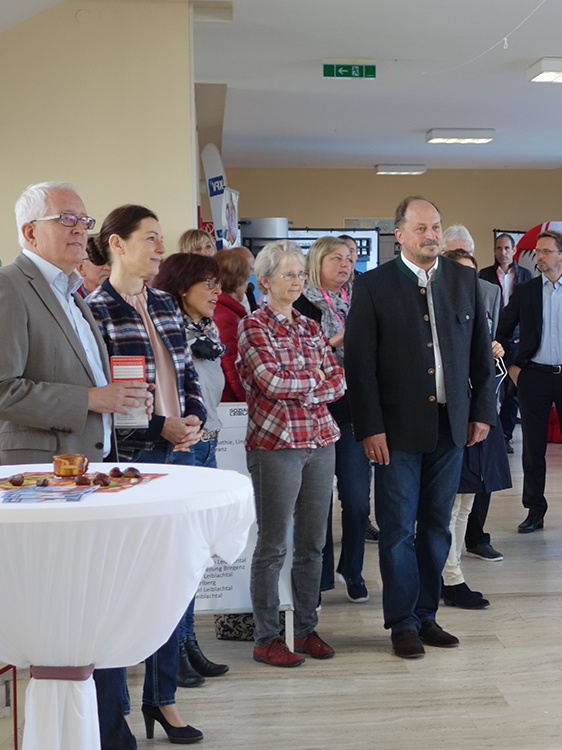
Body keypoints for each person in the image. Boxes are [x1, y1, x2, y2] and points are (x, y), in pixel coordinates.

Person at [0, 181, 150, 750]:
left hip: (85, 474)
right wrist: (91, 399)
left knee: (90, 617)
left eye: (84, 219)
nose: (81, 229)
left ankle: (104, 731)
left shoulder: (74, 293)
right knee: (64, 626)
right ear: (30, 232)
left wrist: (118, 402)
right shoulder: (5, 287)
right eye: (67, 219)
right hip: (38, 484)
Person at [345, 196, 497, 659]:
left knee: (437, 526)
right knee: (397, 530)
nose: (431, 235)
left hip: (451, 426)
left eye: (436, 227)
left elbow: (480, 353)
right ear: (400, 235)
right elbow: (359, 365)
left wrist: (482, 412)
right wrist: (370, 427)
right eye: (421, 228)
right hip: (395, 431)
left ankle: (427, 615)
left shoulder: (464, 280)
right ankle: (402, 623)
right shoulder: (373, 285)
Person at [88, 204, 207, 744]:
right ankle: (118, 714)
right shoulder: (95, 310)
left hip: (184, 452)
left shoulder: (163, 302)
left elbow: (186, 374)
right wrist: (163, 426)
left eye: (162, 239)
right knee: (129, 589)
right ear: (116, 243)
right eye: (150, 238)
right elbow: (108, 400)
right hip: (134, 460)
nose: (161, 248)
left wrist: (194, 418)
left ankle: (162, 699)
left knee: (174, 583)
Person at [236, 240, 345, 668]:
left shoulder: (311, 327)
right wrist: (313, 380)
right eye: (288, 274)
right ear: (264, 281)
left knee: (313, 545)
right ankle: (266, 637)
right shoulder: (253, 326)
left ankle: (304, 628)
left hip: (320, 440)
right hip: (276, 445)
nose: (297, 281)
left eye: (300, 273)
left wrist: (306, 382)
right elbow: (270, 382)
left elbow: (338, 380)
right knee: (272, 546)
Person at [152, 251, 232, 685]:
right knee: (178, 559)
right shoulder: (168, 332)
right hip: (182, 447)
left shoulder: (207, 329)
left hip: (209, 444)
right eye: (209, 284)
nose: (217, 292)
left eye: (219, 283)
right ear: (182, 288)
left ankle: (190, 642)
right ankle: (174, 652)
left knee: (198, 555)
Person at [495, 229, 562, 534]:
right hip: (534, 378)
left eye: (545, 251)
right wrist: (513, 368)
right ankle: (534, 511)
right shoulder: (525, 291)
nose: (538, 256)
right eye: (537, 251)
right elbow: (501, 333)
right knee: (533, 449)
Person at [292, 236, 372, 604]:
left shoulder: (361, 300)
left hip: (355, 410)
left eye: (349, 259)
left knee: (357, 501)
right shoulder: (300, 303)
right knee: (317, 503)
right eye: (336, 258)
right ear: (317, 263)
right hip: (316, 414)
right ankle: (320, 577)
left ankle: (351, 568)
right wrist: (337, 340)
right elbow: (299, 356)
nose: (345, 265)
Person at [440, 244, 511, 607]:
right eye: (460, 272)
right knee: (449, 505)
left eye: (471, 273)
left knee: (467, 502)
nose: (467, 280)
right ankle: (449, 576)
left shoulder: (479, 311)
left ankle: (452, 572)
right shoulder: (436, 314)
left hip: (481, 413)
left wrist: (494, 349)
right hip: (451, 418)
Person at [479, 231, 532, 457]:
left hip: (517, 337)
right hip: (493, 337)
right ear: (494, 251)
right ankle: (488, 433)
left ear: (514, 250)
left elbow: (529, 309)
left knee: (512, 389)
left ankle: (505, 436)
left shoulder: (526, 275)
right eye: (499, 248)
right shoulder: (484, 274)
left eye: (507, 248)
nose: (503, 252)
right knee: (491, 387)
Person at [212, 249, 251, 402]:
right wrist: (246, 402)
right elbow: (234, 368)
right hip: (227, 401)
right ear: (238, 282)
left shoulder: (220, 310)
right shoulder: (226, 317)